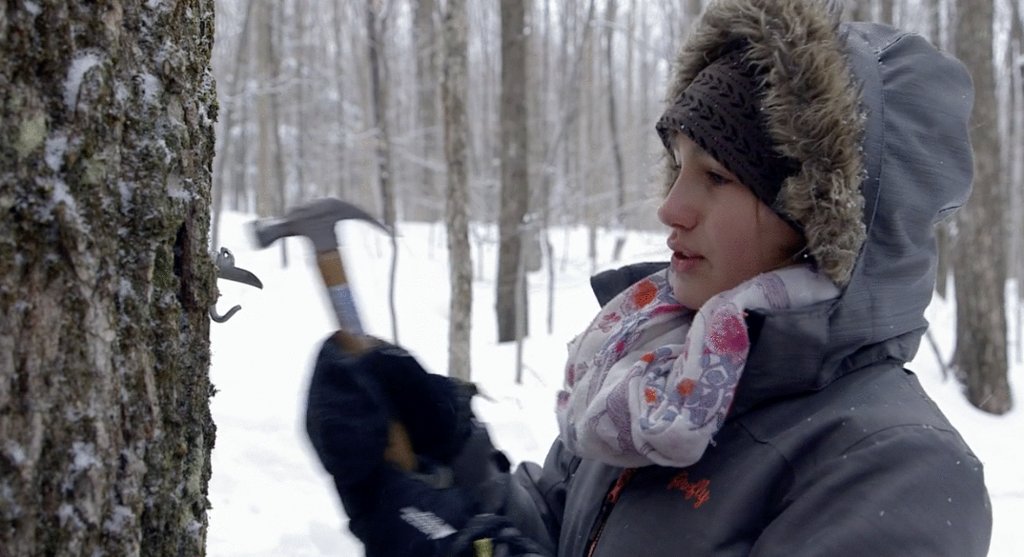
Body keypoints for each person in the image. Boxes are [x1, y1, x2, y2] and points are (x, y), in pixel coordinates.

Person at [303, 0, 993, 555]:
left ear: (819, 222)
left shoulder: (900, 471)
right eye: (678, 165)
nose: (670, 207)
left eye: (716, 177)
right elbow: (548, 530)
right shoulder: (655, 382)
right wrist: (446, 455)